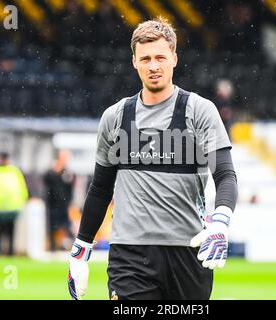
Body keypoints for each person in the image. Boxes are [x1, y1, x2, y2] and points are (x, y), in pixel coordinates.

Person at [68, 18, 238, 300]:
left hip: (189, 250)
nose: (154, 66)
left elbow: (225, 175)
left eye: (160, 57)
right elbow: (100, 188)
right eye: (145, 58)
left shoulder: (200, 111)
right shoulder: (116, 117)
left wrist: (220, 222)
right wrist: (81, 249)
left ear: (174, 58)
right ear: (134, 61)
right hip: (130, 256)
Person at [0, 152, 28, 256]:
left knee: (12, 231)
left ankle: (10, 252)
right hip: (1, 207)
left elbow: (22, 186)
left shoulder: (14, 171)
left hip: (13, 207)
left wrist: (23, 199)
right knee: (1, 231)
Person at [44, 149, 75, 251]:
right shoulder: (51, 171)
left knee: (67, 226)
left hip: (64, 205)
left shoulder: (67, 172)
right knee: (52, 227)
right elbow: (47, 182)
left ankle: (68, 246)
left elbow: (70, 188)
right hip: (53, 204)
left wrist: (69, 202)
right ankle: (53, 247)